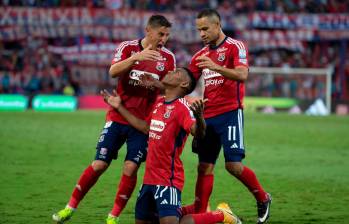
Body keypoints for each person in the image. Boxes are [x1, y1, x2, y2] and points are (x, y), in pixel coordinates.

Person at [52, 15, 176, 224]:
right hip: (117, 116)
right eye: (160, 34)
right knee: (99, 165)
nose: (163, 39)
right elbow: (113, 72)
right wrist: (138, 57)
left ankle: (113, 217)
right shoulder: (128, 48)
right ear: (148, 30)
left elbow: (171, 87)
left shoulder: (168, 58)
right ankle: (69, 208)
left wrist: (156, 85)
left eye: (167, 35)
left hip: (142, 124)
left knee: (131, 167)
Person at [101, 67, 241, 224]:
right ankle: (200, 209)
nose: (170, 72)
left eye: (176, 73)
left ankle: (221, 215)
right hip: (148, 180)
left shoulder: (183, 107)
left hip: (168, 179)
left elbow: (198, 132)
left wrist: (200, 118)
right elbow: (145, 127)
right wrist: (118, 107)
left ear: (184, 84)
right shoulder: (159, 102)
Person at [181, 9, 271, 224]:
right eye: (199, 30)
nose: (201, 34)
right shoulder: (199, 56)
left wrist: (216, 67)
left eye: (205, 29)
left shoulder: (235, 46)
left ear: (218, 25)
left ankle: (263, 197)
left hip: (230, 113)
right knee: (204, 166)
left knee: (233, 166)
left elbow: (242, 74)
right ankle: (201, 211)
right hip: (207, 116)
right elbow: (186, 82)